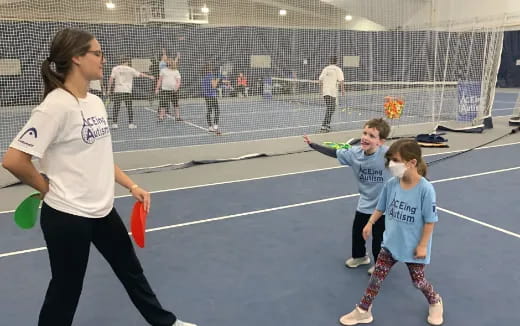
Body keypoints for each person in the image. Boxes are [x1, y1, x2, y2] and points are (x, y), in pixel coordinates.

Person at [1, 28, 196, 326]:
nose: (103, 60)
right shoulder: (55, 106)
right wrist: (44, 187)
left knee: (131, 271)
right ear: (77, 58)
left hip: (102, 210)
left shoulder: (94, 102)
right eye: (98, 53)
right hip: (67, 216)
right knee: (66, 291)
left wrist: (132, 185)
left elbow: (101, 156)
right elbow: (14, 159)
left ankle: (165, 323)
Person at [339, 139, 443, 326]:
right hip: (391, 244)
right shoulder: (392, 184)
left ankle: (435, 301)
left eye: (395, 160)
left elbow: (430, 221)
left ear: (411, 162)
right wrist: (370, 223)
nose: (391, 165)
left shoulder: (425, 189)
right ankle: (363, 310)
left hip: (413, 247)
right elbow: (381, 206)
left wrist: (422, 245)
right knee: (375, 279)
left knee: (418, 282)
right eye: (389, 161)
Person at [304, 118, 391, 275]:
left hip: (383, 205)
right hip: (365, 200)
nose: (365, 137)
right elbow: (334, 152)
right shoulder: (354, 154)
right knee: (358, 232)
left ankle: (380, 264)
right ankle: (360, 257)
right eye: (365, 133)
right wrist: (313, 145)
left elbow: (407, 163)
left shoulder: (388, 154)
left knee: (378, 238)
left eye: (372, 136)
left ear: (381, 142)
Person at [107, 57, 155, 129]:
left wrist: (108, 89)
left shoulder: (115, 68)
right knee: (129, 107)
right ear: (126, 62)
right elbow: (140, 74)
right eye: (128, 62)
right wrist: (149, 76)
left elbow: (111, 79)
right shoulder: (130, 69)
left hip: (118, 91)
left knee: (116, 107)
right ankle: (131, 124)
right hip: (127, 91)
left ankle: (114, 124)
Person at [319, 56, 345, 132]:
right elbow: (341, 81)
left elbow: (320, 80)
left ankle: (327, 124)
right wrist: (343, 90)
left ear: (330, 61)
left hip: (325, 92)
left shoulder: (325, 69)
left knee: (330, 108)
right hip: (332, 92)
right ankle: (324, 125)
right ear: (336, 62)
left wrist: (321, 90)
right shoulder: (338, 69)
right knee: (331, 108)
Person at [201, 64, 220, 134]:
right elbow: (214, 86)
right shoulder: (210, 76)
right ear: (209, 69)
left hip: (206, 96)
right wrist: (218, 79)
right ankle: (215, 126)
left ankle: (210, 127)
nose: (212, 69)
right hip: (212, 96)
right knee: (217, 110)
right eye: (211, 68)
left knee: (209, 111)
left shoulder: (203, 76)